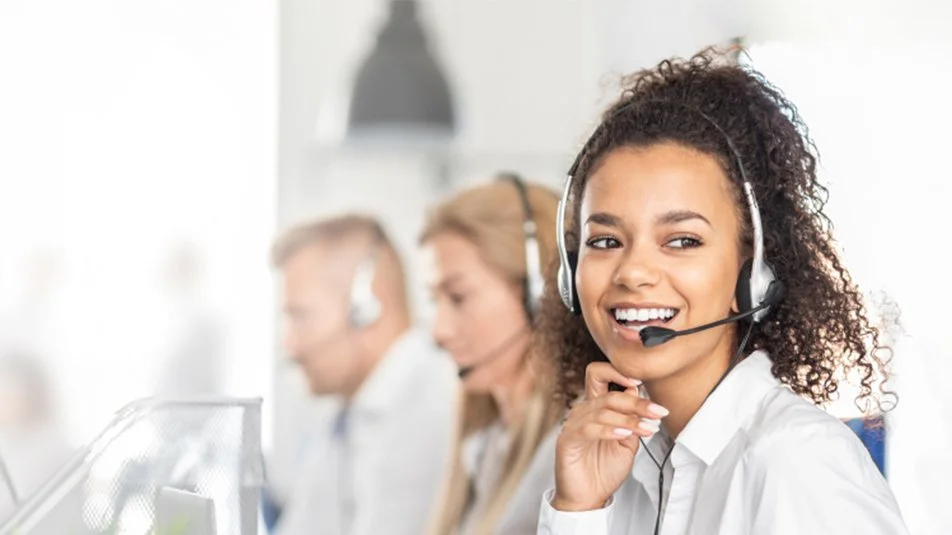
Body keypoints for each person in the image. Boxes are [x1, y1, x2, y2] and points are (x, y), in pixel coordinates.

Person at [535, 51, 908, 534]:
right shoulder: (625, 465)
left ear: (750, 273)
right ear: (572, 272)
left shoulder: (796, 462)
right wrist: (577, 512)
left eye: (682, 241)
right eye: (605, 241)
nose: (632, 272)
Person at [270, 215, 456, 535]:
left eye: (300, 316)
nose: (289, 344)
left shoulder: (427, 411)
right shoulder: (349, 409)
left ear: (366, 307)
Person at [421, 174, 563, 535]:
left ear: (538, 295)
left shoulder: (570, 455)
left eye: (458, 298)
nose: (439, 331)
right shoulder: (485, 446)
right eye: (434, 301)